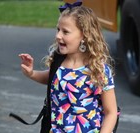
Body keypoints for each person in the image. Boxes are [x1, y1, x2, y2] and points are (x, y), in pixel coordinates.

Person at [19, 2, 118, 133]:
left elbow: (111, 112)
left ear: (84, 36)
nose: (58, 35)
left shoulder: (97, 69)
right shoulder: (58, 61)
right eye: (58, 30)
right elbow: (50, 77)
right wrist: (31, 73)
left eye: (65, 32)